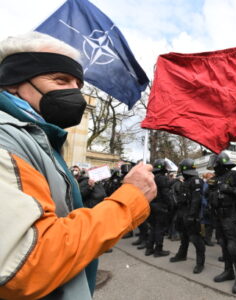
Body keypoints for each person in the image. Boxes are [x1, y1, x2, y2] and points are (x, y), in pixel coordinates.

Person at [0, 32, 156, 299]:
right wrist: (129, 199)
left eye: (77, 84)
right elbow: (25, 264)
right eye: (60, 80)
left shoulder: (39, 139)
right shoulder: (6, 137)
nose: (74, 91)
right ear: (14, 81)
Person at [206, 152, 236, 294]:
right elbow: (209, 196)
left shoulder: (235, 175)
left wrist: (229, 189)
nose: (214, 169)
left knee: (234, 247)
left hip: (231, 216)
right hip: (218, 217)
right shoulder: (215, 178)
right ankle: (228, 271)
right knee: (223, 244)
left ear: (222, 164)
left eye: (216, 166)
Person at [170, 159, 206, 274]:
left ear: (185, 169)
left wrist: (192, 216)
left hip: (191, 215)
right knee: (184, 237)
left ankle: (200, 263)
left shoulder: (195, 181)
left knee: (196, 239)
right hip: (182, 213)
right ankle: (182, 255)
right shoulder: (186, 181)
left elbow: (196, 201)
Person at [145, 159, 172, 257]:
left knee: (153, 228)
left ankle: (149, 249)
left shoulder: (150, 177)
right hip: (160, 206)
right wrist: (170, 205)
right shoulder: (162, 178)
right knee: (160, 229)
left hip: (151, 205)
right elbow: (166, 194)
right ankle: (158, 250)